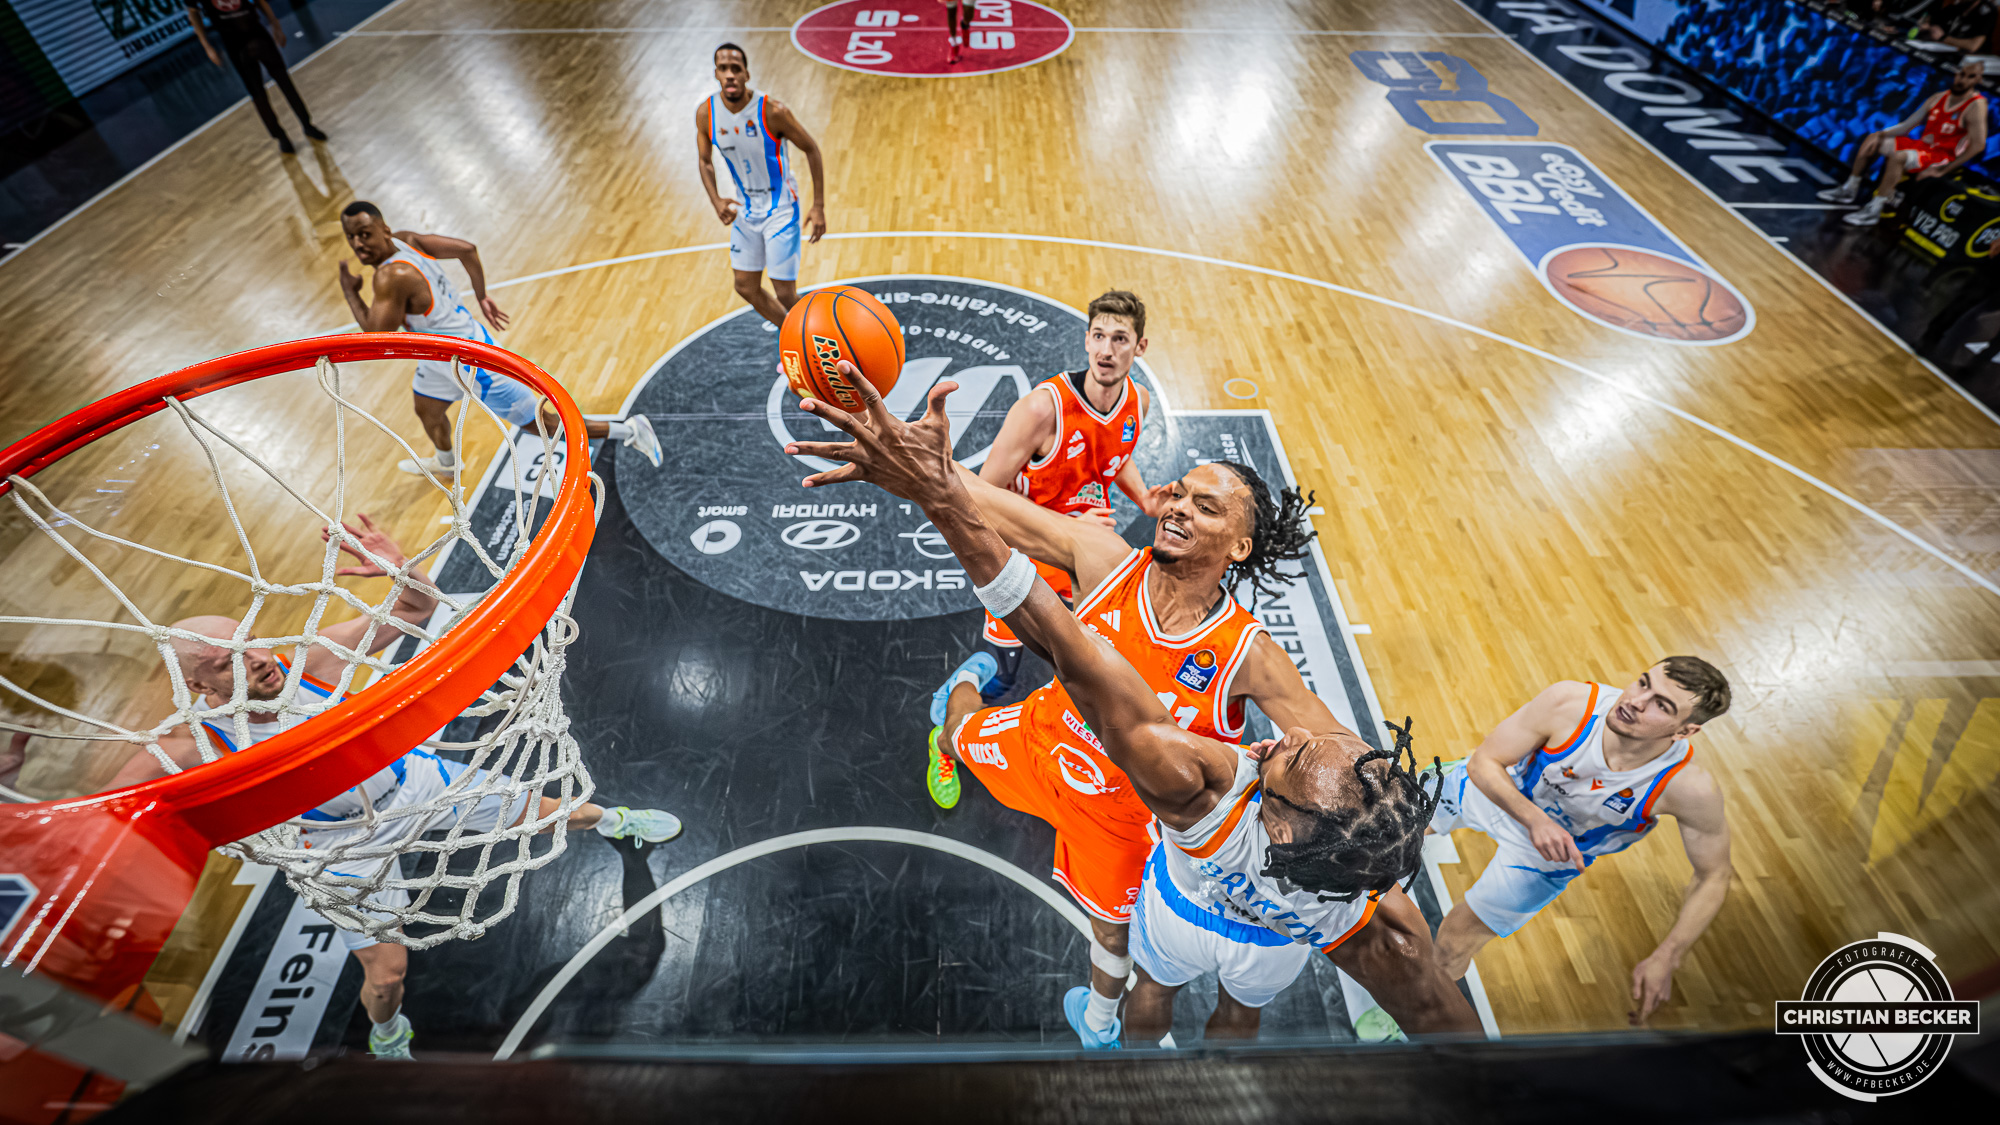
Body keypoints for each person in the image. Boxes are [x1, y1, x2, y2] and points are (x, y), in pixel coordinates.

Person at [788, 361, 1482, 1046]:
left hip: (1124, 816)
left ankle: (1103, 1029)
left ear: (1239, 546)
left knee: (1116, 936)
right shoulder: (1102, 557)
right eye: (1178, 492)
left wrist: (1372, 860)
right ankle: (957, 697)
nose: (1176, 505)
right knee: (958, 728)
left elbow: (1343, 765)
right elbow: (988, 505)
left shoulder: (1248, 656)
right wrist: (921, 466)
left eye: (1204, 506)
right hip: (1043, 739)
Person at [110, 513, 683, 1060]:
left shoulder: (312, 662)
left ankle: (618, 823)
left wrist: (399, 568)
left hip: (416, 783)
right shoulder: (192, 744)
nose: (258, 658)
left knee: (559, 812)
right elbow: (107, 808)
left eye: (251, 639)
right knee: (386, 977)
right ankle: (387, 1032)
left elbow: (416, 608)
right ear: (198, 685)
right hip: (340, 845)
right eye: (228, 661)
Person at [1427, 659, 1733, 1026]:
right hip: (1498, 789)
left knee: (1454, 944)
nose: (1635, 701)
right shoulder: (1570, 703)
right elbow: (1484, 763)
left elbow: (1714, 876)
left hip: (1548, 856)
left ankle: (1411, 1014)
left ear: (1686, 730)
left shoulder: (1688, 788)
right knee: (1377, 821)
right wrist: (1536, 820)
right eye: (1642, 683)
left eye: (1661, 705)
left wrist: (1668, 955)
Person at [336, 201, 662, 475]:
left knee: (544, 425)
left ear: (384, 230)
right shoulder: (408, 240)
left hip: (472, 362)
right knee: (427, 409)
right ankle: (448, 464)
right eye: (351, 237)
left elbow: (376, 337)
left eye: (365, 234)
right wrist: (481, 296)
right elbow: (467, 250)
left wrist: (350, 292)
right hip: (441, 354)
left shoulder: (391, 275)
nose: (358, 244)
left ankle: (630, 430)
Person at [964, 290, 1169, 703]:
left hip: (1086, 551)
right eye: (1099, 336)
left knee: (1093, 664)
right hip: (1027, 551)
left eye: (1120, 339)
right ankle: (967, 696)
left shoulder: (1138, 401)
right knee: (1005, 666)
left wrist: (1144, 498)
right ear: (1086, 340)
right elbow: (982, 496)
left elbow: (1114, 453)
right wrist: (1071, 527)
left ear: (1140, 347)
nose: (1106, 351)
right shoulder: (1042, 410)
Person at [695, 44, 827, 326]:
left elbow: (811, 149)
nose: (730, 75)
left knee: (786, 294)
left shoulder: (773, 111)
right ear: (716, 74)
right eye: (723, 68)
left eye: (736, 68)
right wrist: (716, 200)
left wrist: (818, 206)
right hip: (746, 210)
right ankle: (795, 336)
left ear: (747, 74)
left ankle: (829, 337)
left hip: (781, 208)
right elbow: (705, 161)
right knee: (745, 286)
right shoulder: (707, 114)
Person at [1819, 59, 1989, 227]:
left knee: (1899, 156)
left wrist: (1942, 170)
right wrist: (1882, 134)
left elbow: (1978, 145)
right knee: (1873, 138)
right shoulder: (1938, 97)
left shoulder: (1976, 105)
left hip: (1942, 156)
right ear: (1956, 73)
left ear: (1978, 79)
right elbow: (1907, 126)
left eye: (1970, 76)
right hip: (1923, 148)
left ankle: (1874, 210)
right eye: (1961, 74)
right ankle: (1849, 189)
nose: (1963, 80)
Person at [184, 0, 326, 154]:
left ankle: (307, 125)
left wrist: (275, 24)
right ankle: (281, 137)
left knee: (285, 82)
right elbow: (193, 13)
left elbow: (260, 1)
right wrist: (207, 46)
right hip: (234, 44)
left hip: (258, 34)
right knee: (257, 94)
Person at [1913, 0, 1997, 53]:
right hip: (1940, 51)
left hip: (1967, 59)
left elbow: (1973, 46)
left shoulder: (1988, 11)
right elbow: (1930, 21)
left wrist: (1943, 37)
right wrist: (1926, 24)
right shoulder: (1955, 7)